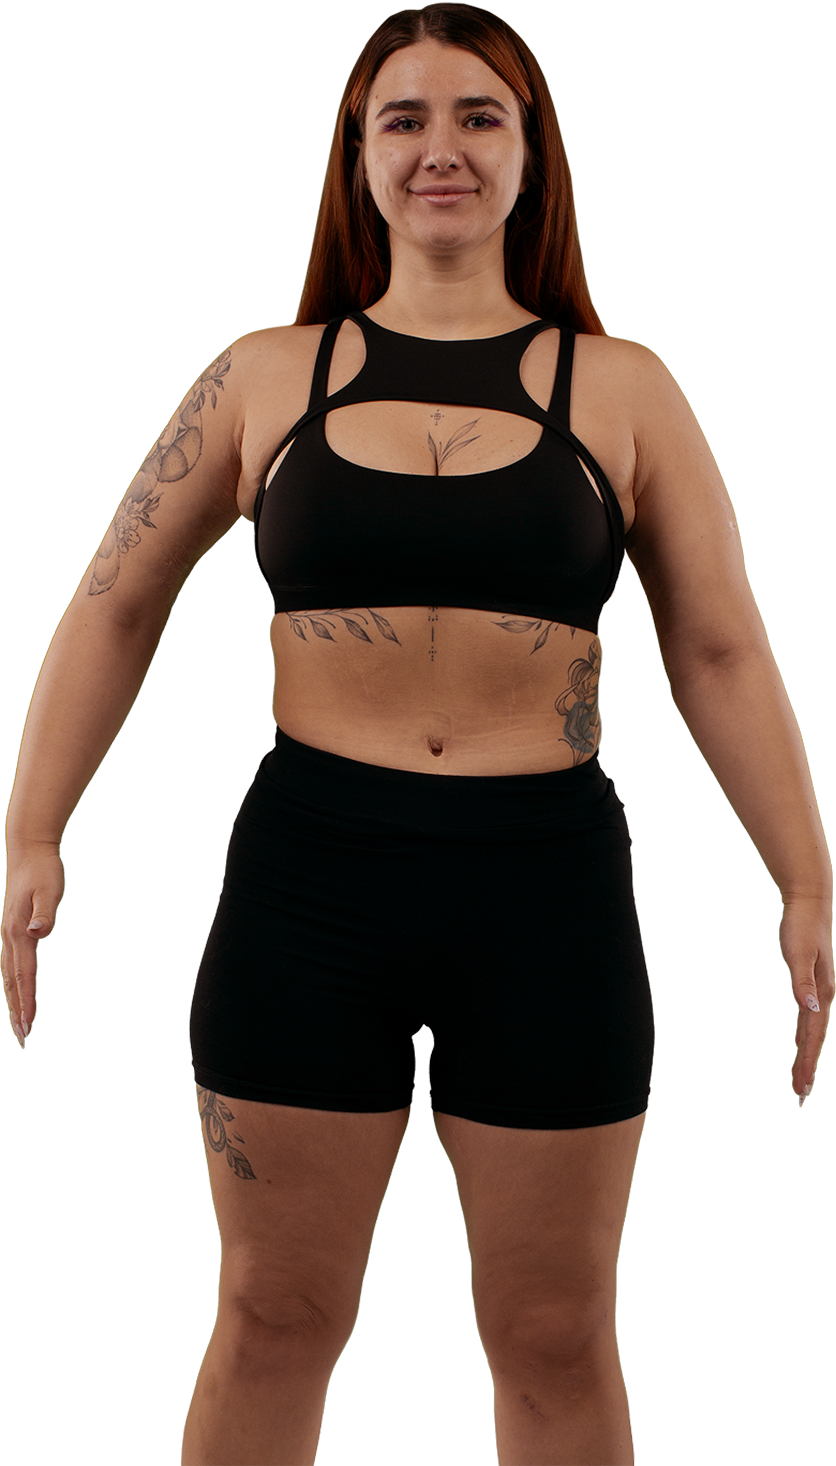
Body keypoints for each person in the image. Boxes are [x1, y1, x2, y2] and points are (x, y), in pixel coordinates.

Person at [2, 5, 832, 1464]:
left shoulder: (621, 387)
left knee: (557, 1330)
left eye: (478, 117)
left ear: (530, 155)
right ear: (359, 155)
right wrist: (31, 831)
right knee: (272, 1313)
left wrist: (806, 879)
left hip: (545, 888)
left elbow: (718, 647)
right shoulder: (265, 375)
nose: (440, 148)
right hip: (312, 883)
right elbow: (117, 601)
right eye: (405, 118)